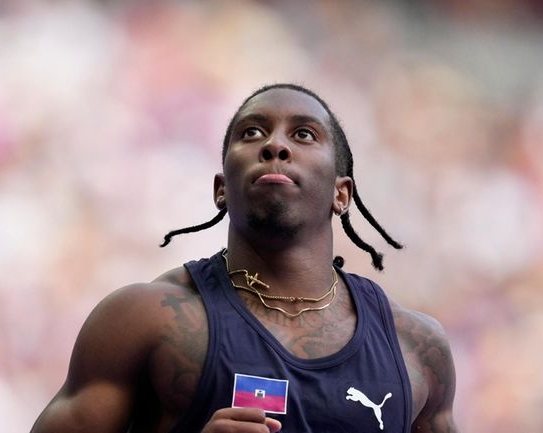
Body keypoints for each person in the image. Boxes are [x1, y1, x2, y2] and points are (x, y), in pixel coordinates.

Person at [31, 83, 459, 433]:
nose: (274, 145)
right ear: (221, 188)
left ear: (340, 194)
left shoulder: (416, 347)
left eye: (304, 134)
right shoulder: (142, 319)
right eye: (252, 133)